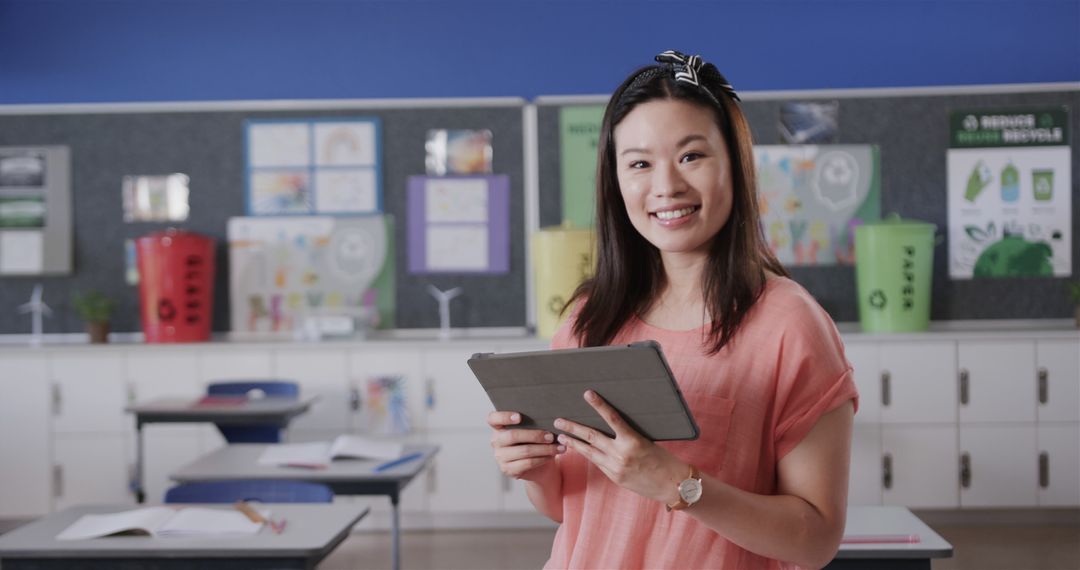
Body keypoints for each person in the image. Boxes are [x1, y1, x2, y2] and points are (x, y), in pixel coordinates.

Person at [487, 50, 858, 569]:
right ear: (615, 181)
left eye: (691, 156)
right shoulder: (589, 316)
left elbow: (816, 539)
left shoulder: (790, 324)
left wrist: (679, 485)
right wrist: (535, 470)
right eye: (639, 163)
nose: (666, 187)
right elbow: (567, 508)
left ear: (735, 162)